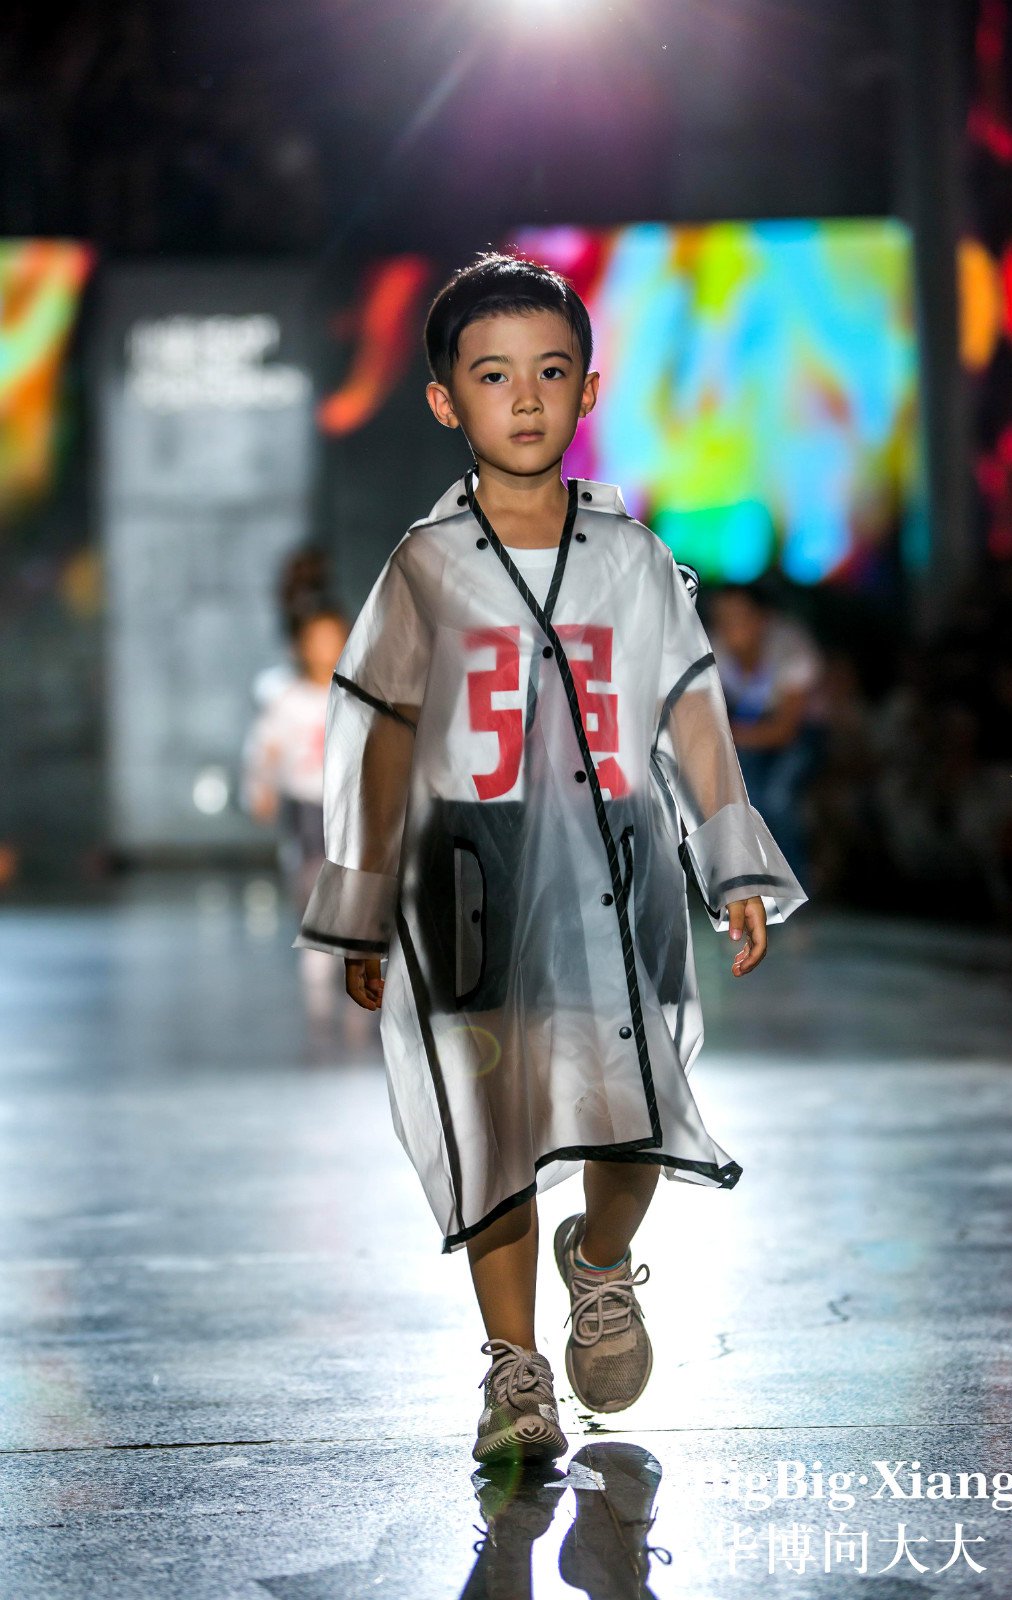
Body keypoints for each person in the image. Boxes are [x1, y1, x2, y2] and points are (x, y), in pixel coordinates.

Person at [292, 251, 808, 1465]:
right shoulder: (425, 567)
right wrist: (361, 901)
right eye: (491, 374)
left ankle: (601, 1258)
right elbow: (381, 730)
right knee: (496, 1122)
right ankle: (513, 1368)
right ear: (443, 399)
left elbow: (688, 708)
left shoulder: (631, 559)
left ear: (588, 389)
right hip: (470, 869)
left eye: (549, 370)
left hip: (619, 861)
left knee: (634, 1115)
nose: (523, 397)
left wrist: (731, 858)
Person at [241, 601, 354, 1024]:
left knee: (353, 870)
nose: (325, 648)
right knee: (310, 872)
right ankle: (320, 939)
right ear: (301, 646)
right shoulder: (287, 700)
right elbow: (265, 750)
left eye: (332, 639)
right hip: (306, 800)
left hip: (348, 797)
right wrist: (260, 790)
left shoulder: (358, 690)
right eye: (316, 640)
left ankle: (350, 938)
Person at [706, 583, 827, 889]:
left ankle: (794, 882)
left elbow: (785, 730)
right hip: (748, 729)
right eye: (722, 617)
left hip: (804, 732)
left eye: (739, 615)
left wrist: (726, 734)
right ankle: (748, 880)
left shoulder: (791, 649)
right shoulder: (714, 647)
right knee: (740, 793)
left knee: (777, 796)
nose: (730, 625)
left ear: (763, 618)